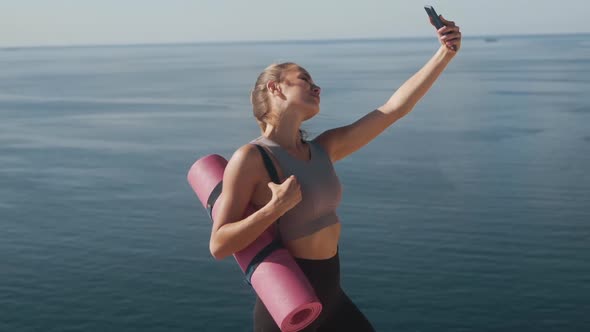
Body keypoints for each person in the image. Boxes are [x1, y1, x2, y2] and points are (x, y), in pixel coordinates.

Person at [209, 15, 462, 332]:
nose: (316, 86)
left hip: (331, 296)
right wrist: (274, 209)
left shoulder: (323, 148)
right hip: (290, 306)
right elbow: (219, 244)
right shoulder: (252, 157)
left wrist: (445, 53)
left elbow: (393, 109)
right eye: (304, 79)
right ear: (275, 88)